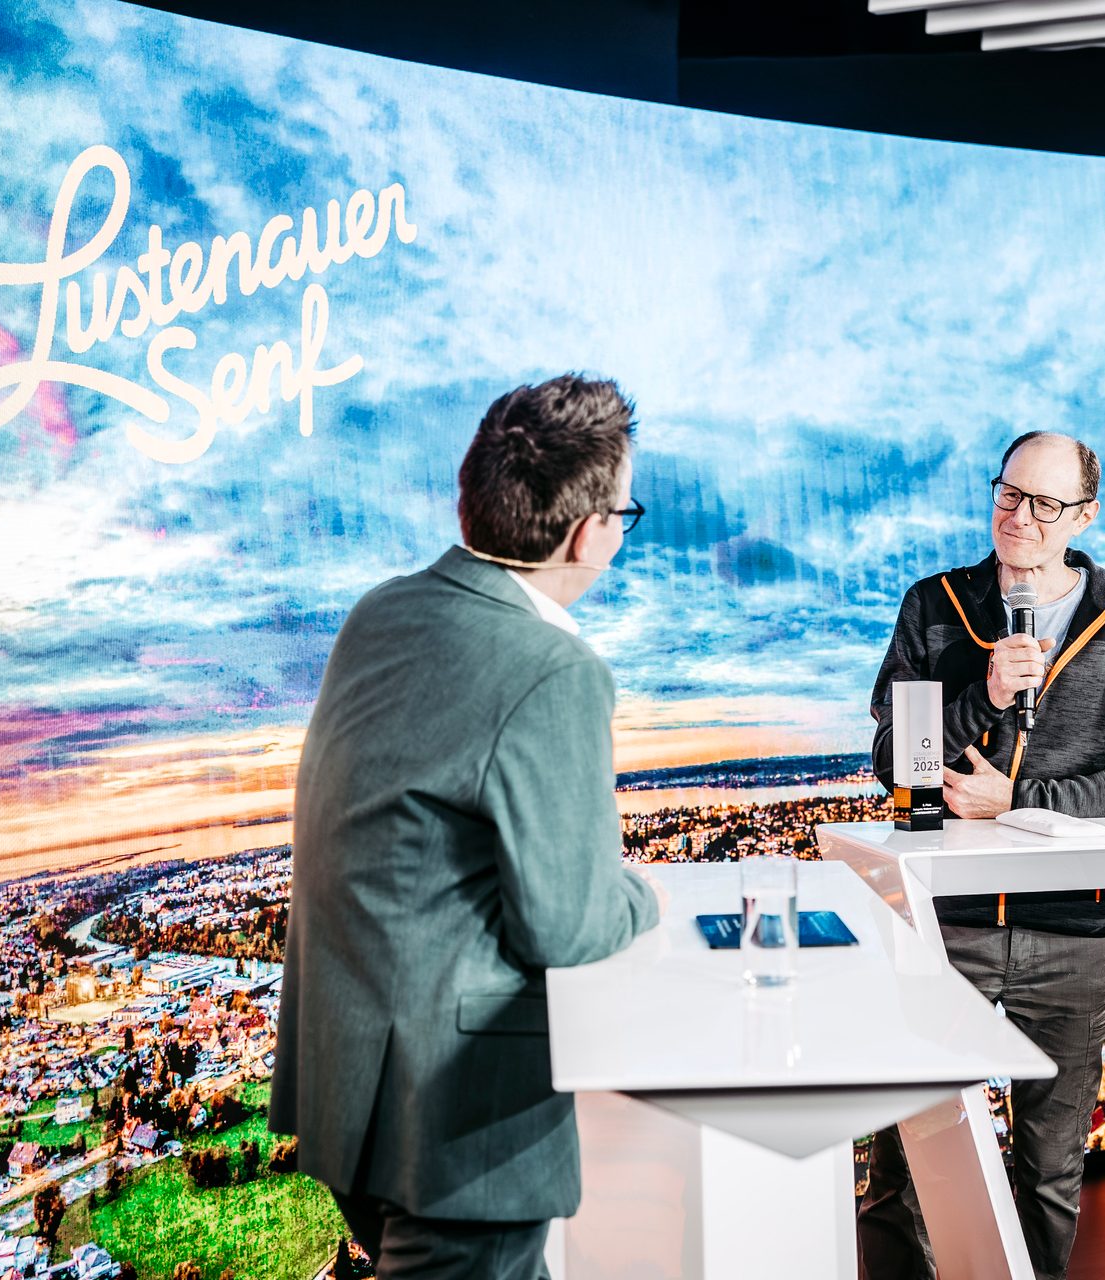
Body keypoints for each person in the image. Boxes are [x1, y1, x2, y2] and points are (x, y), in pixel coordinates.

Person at [271, 374, 664, 1279]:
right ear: (585, 532)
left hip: (350, 1085)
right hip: (458, 1117)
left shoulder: (384, 611)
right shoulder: (552, 667)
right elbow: (568, 925)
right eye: (623, 513)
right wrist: (639, 894)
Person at [860, 431, 1105, 1280]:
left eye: (1045, 504)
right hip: (942, 933)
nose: (1021, 517)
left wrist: (1025, 805)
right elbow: (897, 757)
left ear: (1084, 514)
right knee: (904, 1177)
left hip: (1073, 932)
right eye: (1009, 494)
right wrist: (985, 695)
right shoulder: (934, 607)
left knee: (1047, 1176)